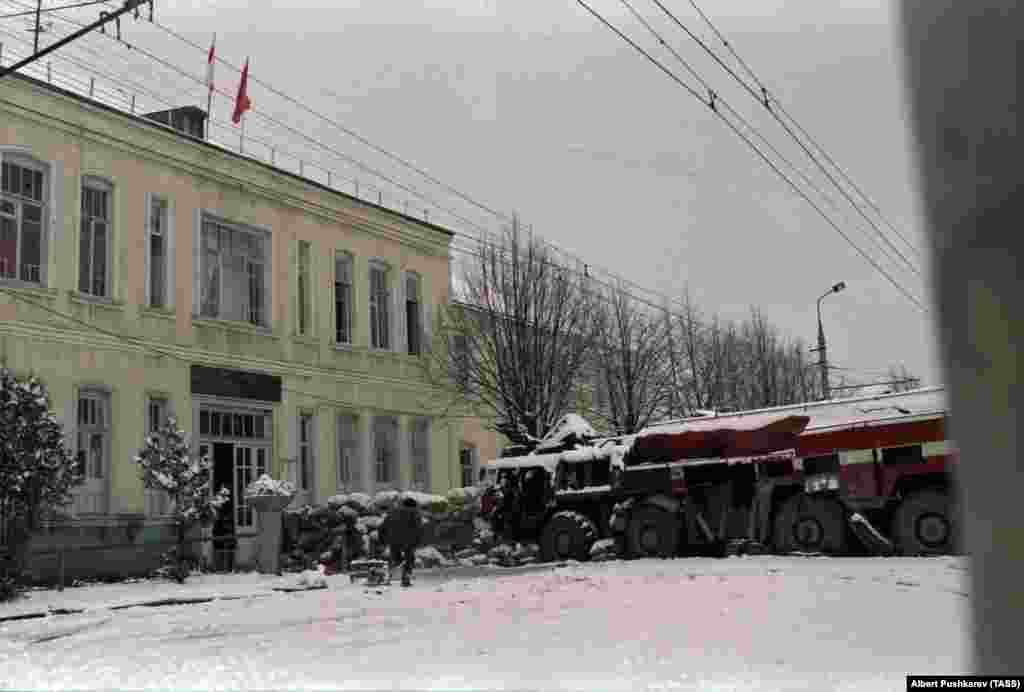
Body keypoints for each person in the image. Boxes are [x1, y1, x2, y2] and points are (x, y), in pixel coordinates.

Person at [378, 495, 422, 587]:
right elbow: (418, 528)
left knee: (396, 559)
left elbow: (382, 527)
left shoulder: (392, 512)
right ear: (413, 505)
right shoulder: (414, 513)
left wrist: (382, 541)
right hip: (408, 540)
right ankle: (405, 578)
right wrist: (418, 541)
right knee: (409, 559)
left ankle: (389, 575)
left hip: (393, 540)